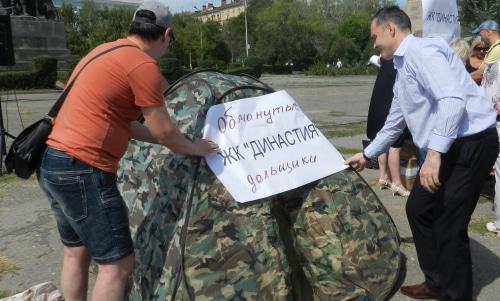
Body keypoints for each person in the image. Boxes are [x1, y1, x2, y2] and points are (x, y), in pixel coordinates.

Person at [36, 1, 218, 300]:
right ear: (166, 34)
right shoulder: (143, 65)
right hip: (84, 169)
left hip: (53, 163)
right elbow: (163, 129)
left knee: (76, 251)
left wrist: (167, 140)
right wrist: (193, 147)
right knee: (117, 265)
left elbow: (125, 124)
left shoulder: (102, 51)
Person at [346, 6, 498, 301]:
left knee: (449, 223)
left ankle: (456, 294)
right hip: (450, 145)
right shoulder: (402, 66)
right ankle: (436, 281)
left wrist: (433, 156)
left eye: (375, 36)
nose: (374, 44)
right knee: (419, 209)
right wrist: (367, 154)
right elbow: (395, 120)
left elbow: (452, 100)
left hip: (472, 143)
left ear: (390, 29)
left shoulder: (422, 52)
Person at [366, 56, 411, 197]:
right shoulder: (402, 61)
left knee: (383, 140)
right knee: (394, 146)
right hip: (391, 102)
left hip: (379, 101)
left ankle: (383, 176)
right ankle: (396, 183)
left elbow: (375, 59)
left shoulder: (385, 58)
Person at [474, 20, 500, 234]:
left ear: (488, 31)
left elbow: (482, 74)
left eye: (481, 34)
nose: (480, 39)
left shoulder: (496, 51)